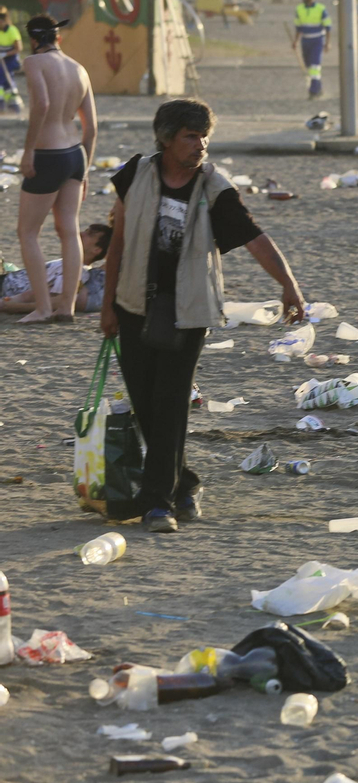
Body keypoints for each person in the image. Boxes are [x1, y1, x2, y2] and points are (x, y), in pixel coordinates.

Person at [100, 99, 308, 533]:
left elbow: (255, 239)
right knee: (144, 404)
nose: (201, 145)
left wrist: (288, 286)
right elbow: (117, 241)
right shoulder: (134, 175)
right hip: (133, 304)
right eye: (191, 137)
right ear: (167, 139)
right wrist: (107, 306)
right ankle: (185, 484)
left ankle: (157, 504)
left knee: (171, 403)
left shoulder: (215, 189)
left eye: (204, 136)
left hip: (188, 310)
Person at [16, 15, 95, 324]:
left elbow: (42, 105)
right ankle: (67, 307)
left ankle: (44, 308)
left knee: (27, 232)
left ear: (34, 40)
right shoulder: (79, 68)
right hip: (74, 154)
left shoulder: (34, 63)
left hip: (48, 154)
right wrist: (85, 169)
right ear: (58, 38)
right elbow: (92, 128)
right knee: (68, 231)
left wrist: (28, 151)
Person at [0, 224, 110, 315]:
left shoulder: (79, 272)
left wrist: (15, 305)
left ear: (96, 250)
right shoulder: (69, 262)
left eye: (89, 235)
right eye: (86, 231)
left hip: (7, 290)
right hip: (7, 280)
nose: (81, 234)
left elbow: (53, 297)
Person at [293, 0, 331, 98]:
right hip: (305, 41)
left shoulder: (320, 9)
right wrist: (295, 41)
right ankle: (319, 88)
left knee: (315, 65)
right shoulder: (299, 9)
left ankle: (313, 91)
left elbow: (328, 27)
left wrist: (327, 43)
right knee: (309, 67)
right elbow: (298, 28)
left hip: (317, 40)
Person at [0, 7, 22, 113]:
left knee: (6, 81)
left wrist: (5, 53)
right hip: (1, 60)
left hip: (10, 60)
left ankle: (14, 106)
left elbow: (18, 48)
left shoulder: (12, 31)